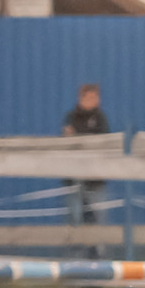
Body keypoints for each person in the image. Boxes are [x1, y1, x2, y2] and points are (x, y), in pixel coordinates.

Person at [61, 82, 110, 225]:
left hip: (95, 179)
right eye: (89, 97)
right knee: (74, 219)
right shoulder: (71, 117)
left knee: (99, 217)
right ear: (81, 98)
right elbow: (66, 142)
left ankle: (99, 247)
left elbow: (105, 141)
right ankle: (75, 246)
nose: (93, 101)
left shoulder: (101, 118)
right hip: (73, 178)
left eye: (95, 97)